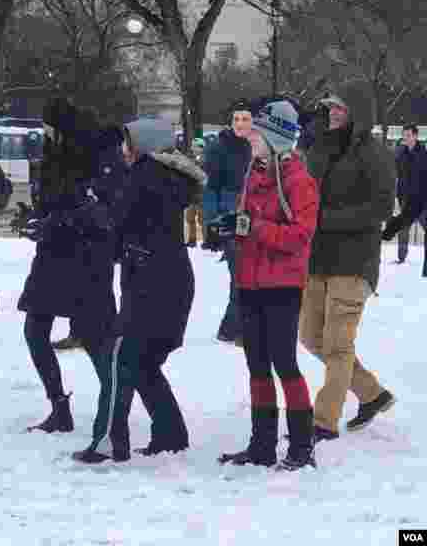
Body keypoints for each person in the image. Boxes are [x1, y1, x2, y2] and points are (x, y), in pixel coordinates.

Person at [73, 118, 205, 464]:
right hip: (171, 280)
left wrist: (90, 205)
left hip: (151, 282)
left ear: (144, 145)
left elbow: (117, 220)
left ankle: (108, 441)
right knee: (143, 363)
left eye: (129, 143)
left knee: (120, 359)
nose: (123, 151)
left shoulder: (146, 176)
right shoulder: (169, 177)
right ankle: (171, 435)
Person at [216, 100, 319, 470]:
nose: (251, 137)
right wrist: (234, 225)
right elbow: (252, 223)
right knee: (257, 364)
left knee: (284, 363)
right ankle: (261, 446)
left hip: (282, 286)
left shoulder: (298, 180)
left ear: (275, 138)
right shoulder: (254, 173)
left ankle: (302, 446)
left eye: (258, 132)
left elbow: (300, 236)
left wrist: (255, 228)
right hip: (250, 282)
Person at [16, 98, 122, 433]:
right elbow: (55, 202)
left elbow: (99, 213)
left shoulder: (99, 158)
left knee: (95, 338)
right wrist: (35, 219)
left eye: (48, 127)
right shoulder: (55, 155)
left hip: (87, 259)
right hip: (52, 254)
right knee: (35, 330)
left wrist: (53, 222)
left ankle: (117, 404)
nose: (44, 134)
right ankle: (59, 407)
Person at [302, 84, 396, 441]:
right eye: (330, 108)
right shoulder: (320, 147)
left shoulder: (375, 153)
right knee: (312, 338)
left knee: (338, 346)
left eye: (340, 108)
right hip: (318, 259)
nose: (333, 113)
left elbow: (382, 208)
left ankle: (323, 423)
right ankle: (372, 394)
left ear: (356, 111)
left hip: (354, 261)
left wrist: (326, 219)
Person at [203, 100, 253, 344]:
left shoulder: (257, 146)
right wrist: (212, 223)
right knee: (240, 273)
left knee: (247, 273)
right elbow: (210, 187)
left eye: (245, 119)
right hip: (230, 215)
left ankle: (230, 327)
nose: (240, 124)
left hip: (253, 216)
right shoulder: (219, 147)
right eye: (237, 119)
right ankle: (240, 328)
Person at [393, 124, 427, 268]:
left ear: (415, 136)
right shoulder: (400, 153)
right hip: (405, 198)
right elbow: (395, 172)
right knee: (403, 228)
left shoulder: (423, 154)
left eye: (408, 135)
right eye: (404, 135)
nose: (405, 138)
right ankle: (401, 258)